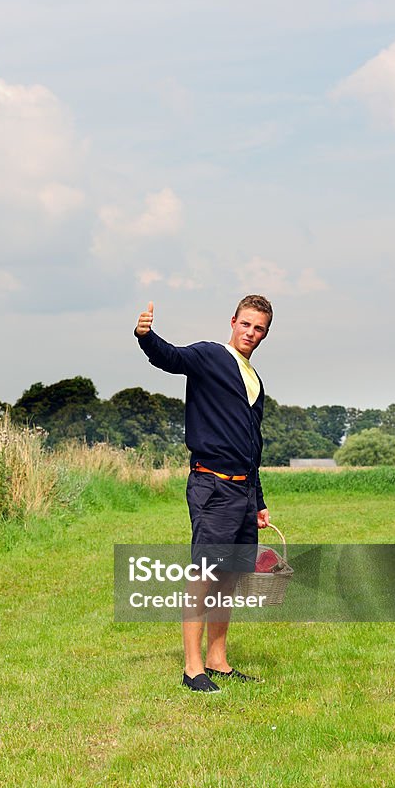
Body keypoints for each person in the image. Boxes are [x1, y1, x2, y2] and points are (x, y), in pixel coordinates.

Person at [134, 295, 273, 693]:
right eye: (245, 324)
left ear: (266, 333)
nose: (251, 333)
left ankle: (217, 660)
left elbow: (251, 446)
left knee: (228, 579)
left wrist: (258, 501)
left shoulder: (254, 380)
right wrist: (145, 336)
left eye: (259, 328)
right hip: (212, 485)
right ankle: (192, 668)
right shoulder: (211, 356)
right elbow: (171, 358)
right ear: (233, 322)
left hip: (244, 491)